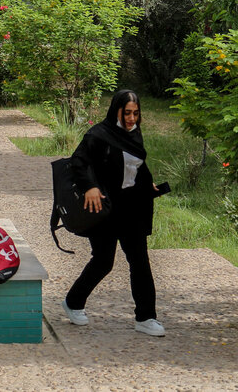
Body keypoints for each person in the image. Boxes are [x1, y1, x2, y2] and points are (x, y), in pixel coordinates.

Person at [62, 89, 165, 337]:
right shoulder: (99, 134)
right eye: (127, 112)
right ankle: (73, 302)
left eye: (136, 113)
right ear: (116, 110)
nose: (131, 118)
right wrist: (90, 187)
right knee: (103, 261)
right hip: (106, 208)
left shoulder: (134, 133)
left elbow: (137, 164)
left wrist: (145, 183)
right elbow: (78, 162)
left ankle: (146, 317)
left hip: (133, 207)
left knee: (140, 261)